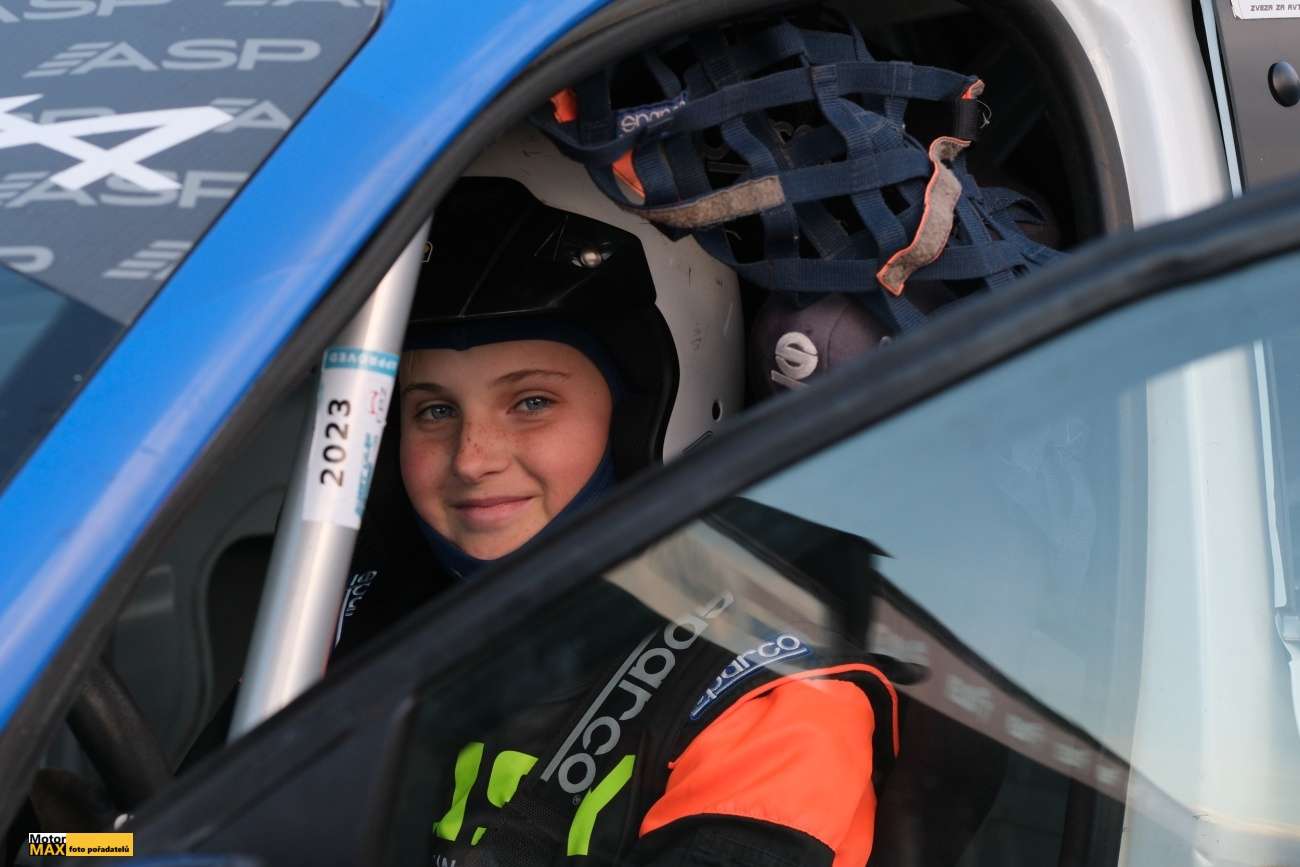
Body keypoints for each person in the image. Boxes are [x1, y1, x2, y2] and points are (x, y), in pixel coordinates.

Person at [331, 127, 899, 867]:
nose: (471, 459)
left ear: (647, 414)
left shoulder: (774, 696)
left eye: (531, 402)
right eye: (434, 410)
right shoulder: (345, 608)